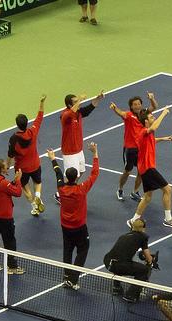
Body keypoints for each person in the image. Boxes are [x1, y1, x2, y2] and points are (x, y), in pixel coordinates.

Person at [47, 143, 100, 290]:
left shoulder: (61, 188)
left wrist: (52, 158)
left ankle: (66, 275)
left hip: (65, 226)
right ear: (77, 177)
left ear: (67, 177)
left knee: (68, 249)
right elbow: (94, 173)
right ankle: (73, 278)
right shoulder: (81, 189)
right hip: (79, 227)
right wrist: (95, 154)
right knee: (83, 249)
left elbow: (57, 173)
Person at [127, 108, 172, 228]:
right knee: (168, 189)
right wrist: (163, 113)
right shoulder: (143, 131)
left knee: (147, 197)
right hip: (148, 168)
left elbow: (151, 140)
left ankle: (133, 220)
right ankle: (168, 219)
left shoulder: (147, 133)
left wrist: (162, 138)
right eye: (151, 118)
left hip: (144, 168)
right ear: (146, 121)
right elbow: (154, 127)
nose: (153, 118)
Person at [56, 90, 104, 204]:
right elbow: (69, 113)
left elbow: (91, 107)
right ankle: (61, 195)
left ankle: (69, 189)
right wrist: (81, 99)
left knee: (81, 171)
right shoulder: (65, 115)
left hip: (78, 150)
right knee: (70, 174)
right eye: (75, 102)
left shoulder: (79, 112)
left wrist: (98, 98)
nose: (79, 103)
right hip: (70, 152)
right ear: (69, 105)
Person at [110, 92, 158, 202]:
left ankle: (135, 192)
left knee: (141, 172)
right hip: (130, 149)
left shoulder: (145, 113)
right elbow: (121, 113)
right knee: (127, 171)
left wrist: (152, 98)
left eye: (138, 104)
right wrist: (115, 108)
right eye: (134, 104)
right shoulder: (129, 115)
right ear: (131, 106)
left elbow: (154, 106)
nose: (137, 106)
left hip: (141, 148)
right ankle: (120, 189)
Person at [7, 95, 46, 216]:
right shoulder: (33, 131)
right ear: (26, 123)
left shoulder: (14, 138)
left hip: (22, 169)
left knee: (25, 187)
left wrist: (7, 166)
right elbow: (40, 116)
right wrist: (41, 102)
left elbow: (10, 155)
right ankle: (38, 196)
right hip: (35, 164)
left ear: (17, 125)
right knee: (38, 182)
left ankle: (34, 204)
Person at [0, 160, 24, 274]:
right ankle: (12, 267)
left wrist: (13, 181)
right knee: (10, 241)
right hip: (5, 217)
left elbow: (6, 189)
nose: (8, 167)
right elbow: (17, 193)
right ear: (2, 169)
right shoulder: (3, 183)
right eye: (7, 167)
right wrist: (18, 180)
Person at [104, 219, 154, 302]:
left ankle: (116, 287)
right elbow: (148, 258)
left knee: (122, 262)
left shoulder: (123, 236)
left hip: (108, 262)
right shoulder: (143, 237)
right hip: (119, 265)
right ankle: (130, 295)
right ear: (143, 228)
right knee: (144, 270)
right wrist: (151, 261)